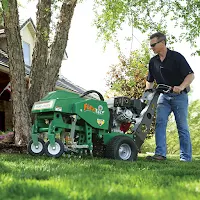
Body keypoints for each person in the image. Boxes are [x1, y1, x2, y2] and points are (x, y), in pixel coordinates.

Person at [145, 32, 195, 161]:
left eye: (153, 45)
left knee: (182, 126)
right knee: (160, 123)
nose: (151, 47)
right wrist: (147, 92)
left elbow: (190, 75)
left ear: (162, 43)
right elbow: (149, 80)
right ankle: (160, 154)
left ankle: (185, 158)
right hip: (163, 97)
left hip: (179, 97)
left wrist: (181, 87)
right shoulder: (153, 62)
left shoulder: (176, 57)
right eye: (150, 45)